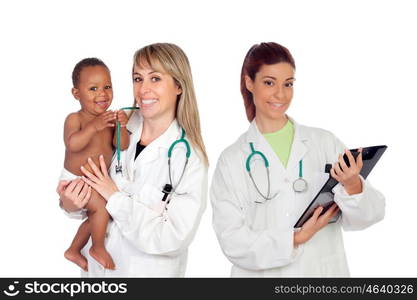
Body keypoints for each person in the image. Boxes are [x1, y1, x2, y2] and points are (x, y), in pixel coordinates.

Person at [210, 42, 385, 277]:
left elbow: (370, 216)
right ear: (249, 82)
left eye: (288, 84)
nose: (280, 94)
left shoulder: (324, 142)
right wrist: (295, 238)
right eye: (269, 82)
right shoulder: (232, 160)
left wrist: (353, 185)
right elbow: (231, 240)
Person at [58, 43, 208, 277]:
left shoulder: (189, 158)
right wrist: (70, 204)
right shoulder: (118, 124)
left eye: (155, 79)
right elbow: (84, 198)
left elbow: (173, 238)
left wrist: (114, 197)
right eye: (138, 78)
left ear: (178, 85)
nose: (143, 89)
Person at [61, 57, 129, 271]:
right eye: (93, 88)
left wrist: (121, 127)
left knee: (96, 216)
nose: (102, 93)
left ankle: (74, 249)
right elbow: (72, 144)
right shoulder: (75, 119)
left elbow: (122, 145)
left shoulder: (108, 120)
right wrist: (93, 127)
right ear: (76, 94)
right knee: (101, 209)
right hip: (76, 179)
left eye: (107, 86)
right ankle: (97, 247)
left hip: (94, 182)